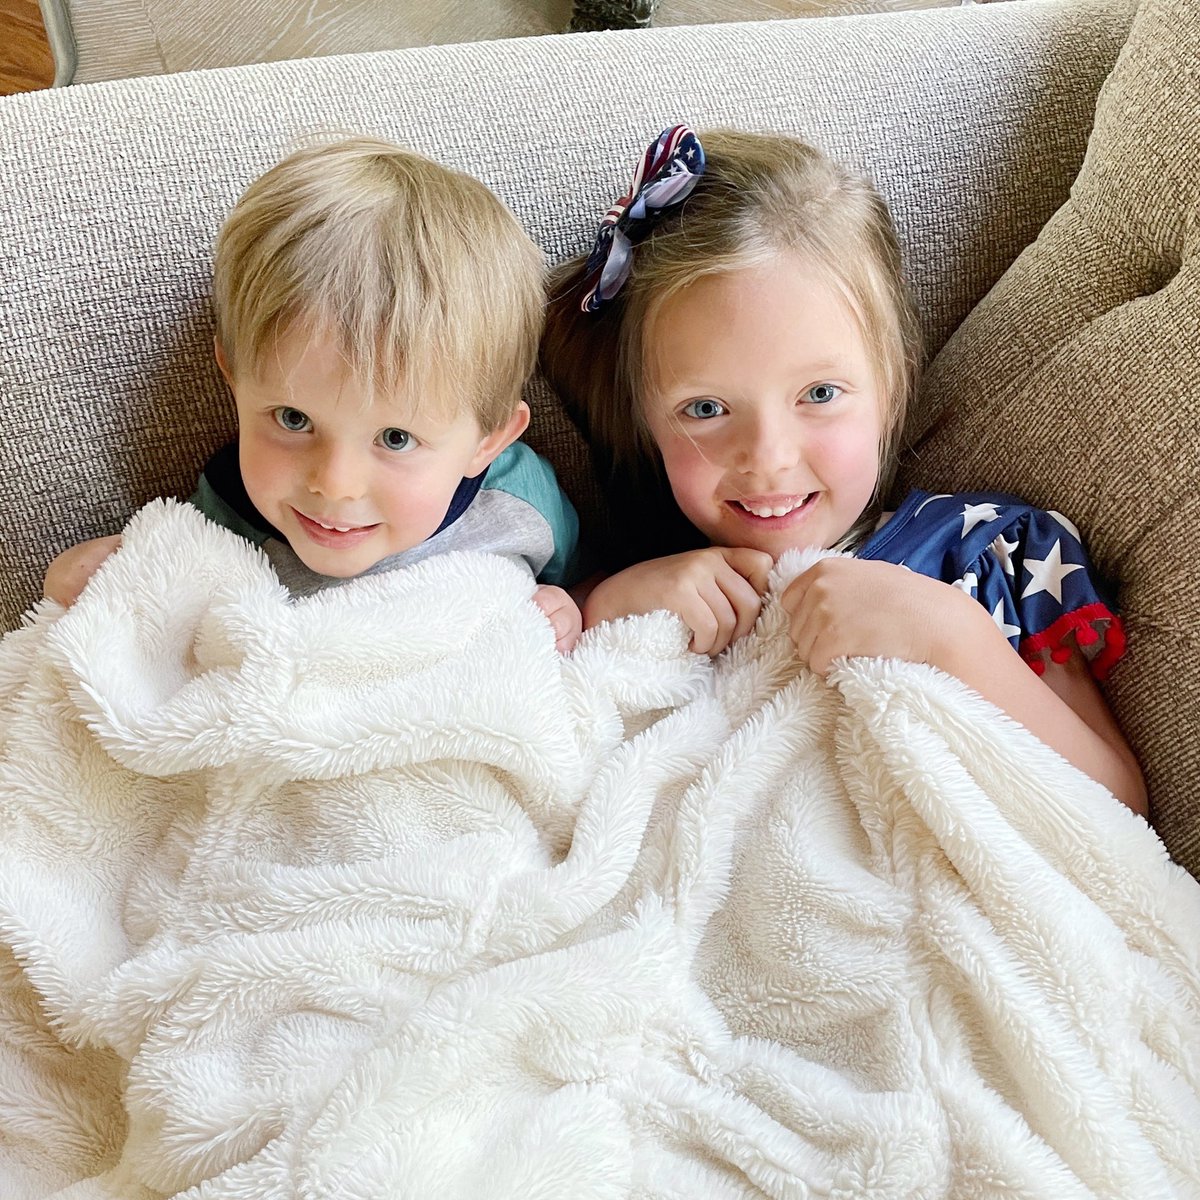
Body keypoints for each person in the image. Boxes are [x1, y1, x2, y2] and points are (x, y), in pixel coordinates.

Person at [541, 125, 1148, 816]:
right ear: (645, 421)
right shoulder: (647, 577)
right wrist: (612, 604)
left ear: (891, 385)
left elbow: (1119, 804)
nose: (767, 456)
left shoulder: (983, 553)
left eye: (819, 395)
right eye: (705, 407)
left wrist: (952, 637)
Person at [43, 136, 583, 652]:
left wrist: (566, 608)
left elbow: (592, 584)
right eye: (294, 419)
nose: (335, 484)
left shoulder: (520, 503)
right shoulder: (226, 508)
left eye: (396, 438)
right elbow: (171, 596)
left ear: (487, 441)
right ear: (233, 378)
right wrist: (99, 572)